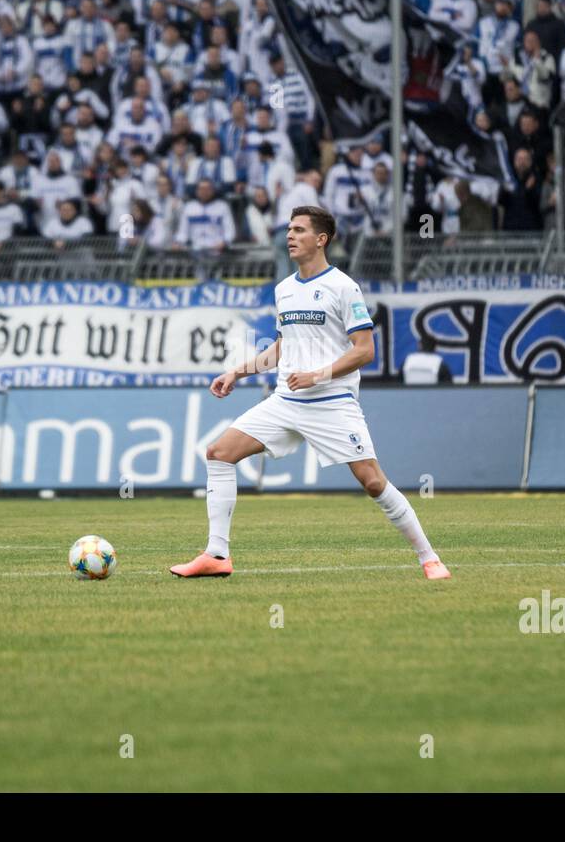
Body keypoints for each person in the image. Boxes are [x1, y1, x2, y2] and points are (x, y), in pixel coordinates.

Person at [172, 205, 450, 582]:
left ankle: (429, 558)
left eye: (299, 230)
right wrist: (237, 371)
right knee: (219, 453)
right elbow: (284, 346)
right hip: (286, 401)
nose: (290, 236)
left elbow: (364, 350)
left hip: (332, 403)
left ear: (321, 239)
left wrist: (318, 375)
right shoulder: (284, 289)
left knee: (372, 482)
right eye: (289, 229)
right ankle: (217, 554)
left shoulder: (343, 287)